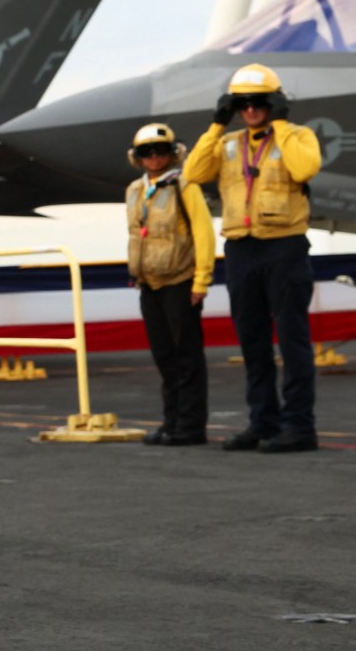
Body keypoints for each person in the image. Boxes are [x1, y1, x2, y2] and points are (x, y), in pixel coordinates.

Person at [184, 63, 322, 453]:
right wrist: (215, 124)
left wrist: (278, 121)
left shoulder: (298, 136)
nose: (250, 110)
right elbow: (194, 172)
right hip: (242, 250)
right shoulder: (228, 144)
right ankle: (262, 423)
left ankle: (300, 427)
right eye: (241, 104)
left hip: (284, 247)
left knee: (293, 340)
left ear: (275, 102)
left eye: (258, 102)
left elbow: (305, 167)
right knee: (252, 341)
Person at [125, 123, 215, 446]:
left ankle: (191, 426)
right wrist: (137, 272)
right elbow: (137, 236)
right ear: (137, 157)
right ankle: (171, 421)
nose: (154, 157)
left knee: (187, 355)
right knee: (164, 355)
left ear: (173, 153)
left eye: (161, 151)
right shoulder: (134, 190)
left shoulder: (184, 186)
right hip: (149, 284)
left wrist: (201, 280)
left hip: (180, 281)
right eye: (146, 152)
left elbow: (203, 233)